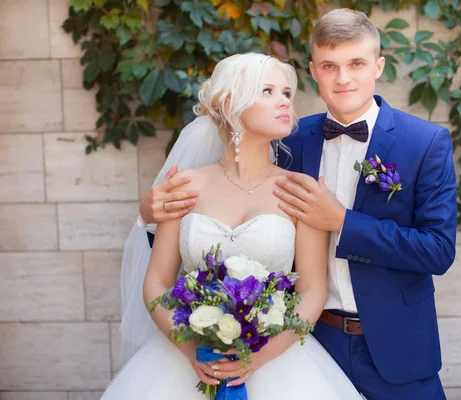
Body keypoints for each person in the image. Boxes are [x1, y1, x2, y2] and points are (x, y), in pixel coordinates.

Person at [141, 9, 457, 400]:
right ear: (314, 70)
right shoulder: (289, 139)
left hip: (398, 348)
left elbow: (439, 251)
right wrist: (148, 216)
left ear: (378, 66)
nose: (343, 78)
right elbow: (197, 234)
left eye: (356, 63)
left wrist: (342, 220)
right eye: (329, 66)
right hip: (308, 345)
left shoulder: (424, 142)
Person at [104, 53, 363, 399]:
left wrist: (256, 358)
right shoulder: (185, 186)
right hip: (183, 363)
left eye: (287, 93)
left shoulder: (300, 190)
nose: (284, 101)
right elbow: (157, 282)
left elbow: (312, 291)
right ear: (229, 104)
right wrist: (191, 347)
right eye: (267, 91)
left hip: (278, 364)